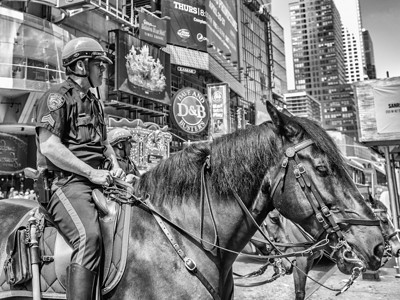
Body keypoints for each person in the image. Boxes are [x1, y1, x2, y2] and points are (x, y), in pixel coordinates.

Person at [34, 37, 125, 300]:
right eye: (101, 65)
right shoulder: (56, 98)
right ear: (83, 65)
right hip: (65, 184)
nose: (104, 71)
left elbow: (105, 144)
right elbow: (49, 147)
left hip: (99, 182)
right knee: (89, 238)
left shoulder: (96, 102)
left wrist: (115, 167)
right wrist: (91, 172)